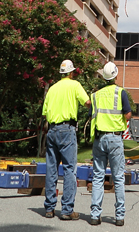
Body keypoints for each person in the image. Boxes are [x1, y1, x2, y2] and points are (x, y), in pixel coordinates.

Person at [42, 58, 90, 221]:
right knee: (69, 169)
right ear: (71, 72)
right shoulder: (75, 85)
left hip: (52, 130)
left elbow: (45, 113)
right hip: (67, 129)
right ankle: (67, 210)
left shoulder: (52, 89)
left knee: (51, 168)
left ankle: (49, 208)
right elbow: (87, 102)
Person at [89, 61, 131, 228]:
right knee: (118, 178)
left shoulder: (96, 95)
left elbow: (92, 114)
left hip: (99, 139)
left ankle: (94, 215)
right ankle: (119, 217)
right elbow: (127, 115)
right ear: (115, 75)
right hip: (114, 138)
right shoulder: (120, 93)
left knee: (98, 177)